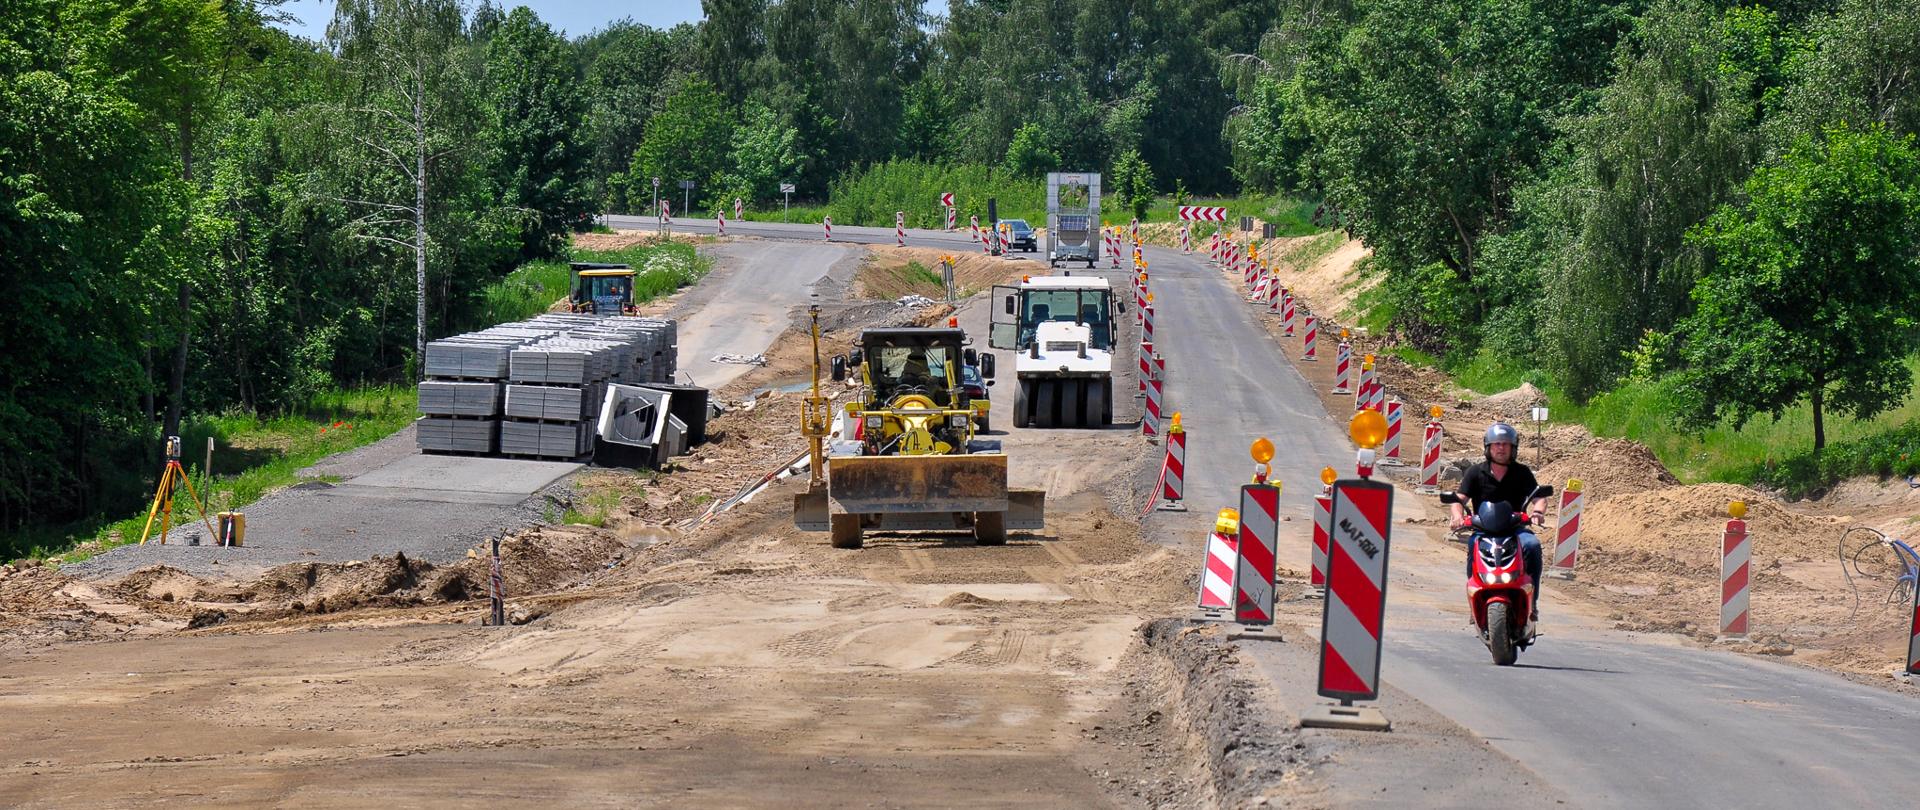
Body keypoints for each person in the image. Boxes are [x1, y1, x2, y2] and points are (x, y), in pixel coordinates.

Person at [1449, 422, 1549, 620]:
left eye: (1505, 444)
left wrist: (1538, 511)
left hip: (1516, 528)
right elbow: (1459, 499)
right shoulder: (1475, 472)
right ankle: (1475, 600)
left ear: (1513, 448)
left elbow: (1539, 497)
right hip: (1484, 529)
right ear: (1488, 447)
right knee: (1473, 546)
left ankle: (1532, 601)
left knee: (1533, 545)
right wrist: (1457, 516)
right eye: (1496, 444)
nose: (1501, 448)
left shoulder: (1522, 472)